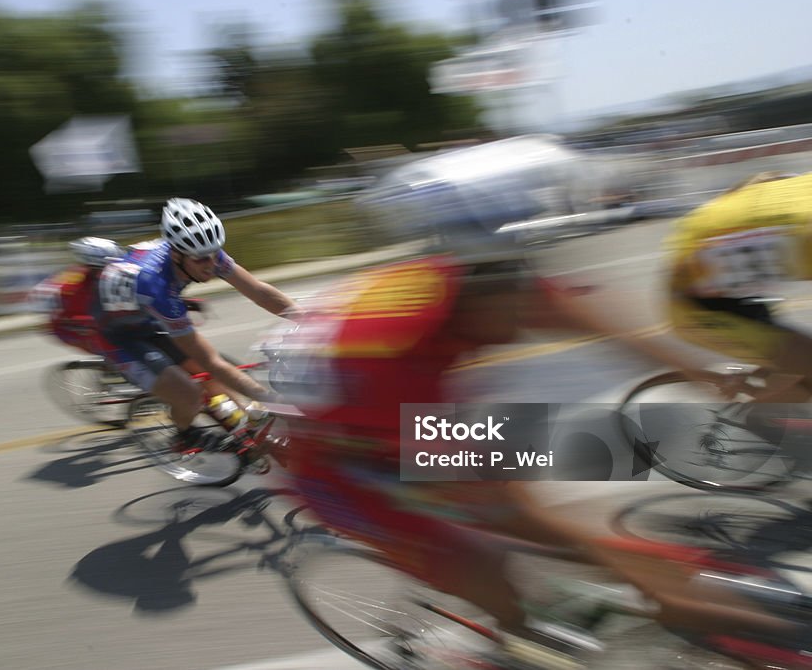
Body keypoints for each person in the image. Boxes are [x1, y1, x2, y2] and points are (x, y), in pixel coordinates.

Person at [269, 158, 803, 663]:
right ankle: (515, 647)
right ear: (479, 282)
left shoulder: (484, 277)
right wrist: (658, 583)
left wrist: (703, 376)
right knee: (490, 570)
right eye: (517, 283)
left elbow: (599, 324)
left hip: (400, 406)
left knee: (573, 503)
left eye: (530, 272)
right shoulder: (397, 364)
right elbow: (498, 502)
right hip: (339, 460)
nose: (532, 293)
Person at [95, 197, 300, 453]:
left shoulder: (204, 251)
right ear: (176, 255)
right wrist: (274, 401)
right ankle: (183, 436)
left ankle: (245, 426)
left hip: (146, 312)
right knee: (189, 394)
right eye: (202, 260)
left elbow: (257, 291)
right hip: (118, 335)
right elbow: (210, 361)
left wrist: (307, 318)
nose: (212, 265)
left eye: (215, 254)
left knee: (216, 382)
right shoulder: (155, 284)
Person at [664, 170, 812, 403]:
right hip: (695, 302)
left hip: (716, 266)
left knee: (798, 361)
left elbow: (765, 177)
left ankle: (780, 392)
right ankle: (764, 412)